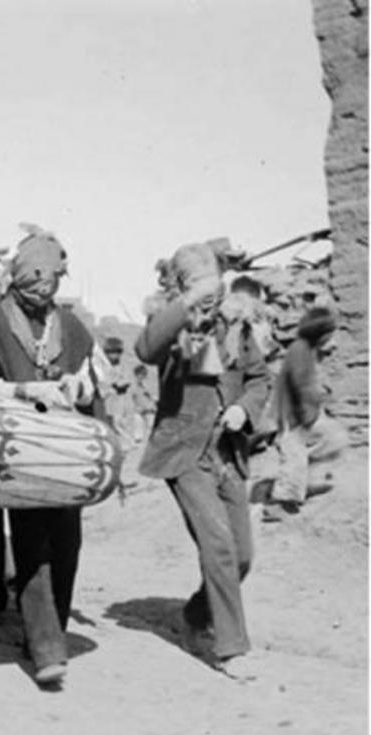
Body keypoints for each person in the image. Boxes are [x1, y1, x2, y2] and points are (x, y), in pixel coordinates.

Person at [0, 225, 106, 688]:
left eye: (49, 288)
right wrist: (27, 389)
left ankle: (47, 633)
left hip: (65, 448)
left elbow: (95, 379)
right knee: (31, 543)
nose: (40, 296)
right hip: (18, 448)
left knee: (67, 543)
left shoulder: (70, 326)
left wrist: (76, 387)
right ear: (16, 282)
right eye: (31, 287)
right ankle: (48, 648)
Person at [135, 241, 270, 680]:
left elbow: (258, 378)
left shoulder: (236, 322)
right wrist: (187, 299)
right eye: (195, 283)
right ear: (180, 285)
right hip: (184, 452)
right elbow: (146, 349)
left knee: (243, 555)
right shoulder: (170, 321)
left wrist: (243, 409)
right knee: (219, 546)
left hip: (227, 451)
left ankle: (196, 616)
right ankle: (231, 648)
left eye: (211, 281)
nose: (208, 292)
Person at [263, 307, 349, 521]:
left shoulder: (309, 350)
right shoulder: (299, 350)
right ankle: (280, 503)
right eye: (329, 337)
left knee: (335, 438)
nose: (333, 342)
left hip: (306, 413)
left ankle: (303, 481)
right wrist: (307, 417)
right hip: (292, 416)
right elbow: (301, 386)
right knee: (294, 456)